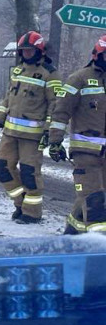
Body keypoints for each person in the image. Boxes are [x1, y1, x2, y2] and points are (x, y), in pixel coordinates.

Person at [0, 31, 61, 224]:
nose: (26, 54)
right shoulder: (18, 70)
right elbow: (8, 98)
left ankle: (32, 213)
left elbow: (56, 105)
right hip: (10, 133)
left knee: (29, 174)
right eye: (23, 51)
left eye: (30, 51)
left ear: (39, 51)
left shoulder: (50, 74)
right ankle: (20, 203)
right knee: (2, 168)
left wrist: (49, 131)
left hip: (33, 136)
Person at [47, 34, 106, 234]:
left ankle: (71, 235)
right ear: (98, 55)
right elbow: (61, 111)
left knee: (89, 202)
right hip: (85, 154)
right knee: (95, 201)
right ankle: (100, 248)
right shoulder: (79, 79)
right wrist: (55, 140)